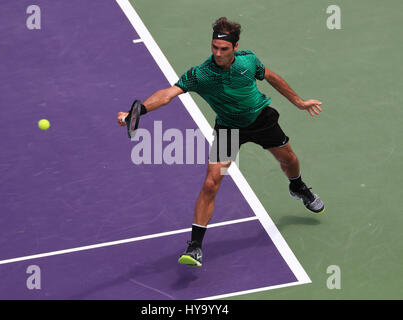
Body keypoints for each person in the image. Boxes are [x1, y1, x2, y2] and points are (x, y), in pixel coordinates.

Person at [117, 17, 324, 267]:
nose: (217, 52)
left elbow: (270, 76)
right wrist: (137, 112)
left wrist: (299, 102)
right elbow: (167, 95)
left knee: (289, 160)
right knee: (211, 182)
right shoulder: (201, 74)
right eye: (214, 47)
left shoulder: (249, 60)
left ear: (235, 47)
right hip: (228, 129)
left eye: (223, 49)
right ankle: (194, 247)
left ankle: (297, 186)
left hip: (261, 120)